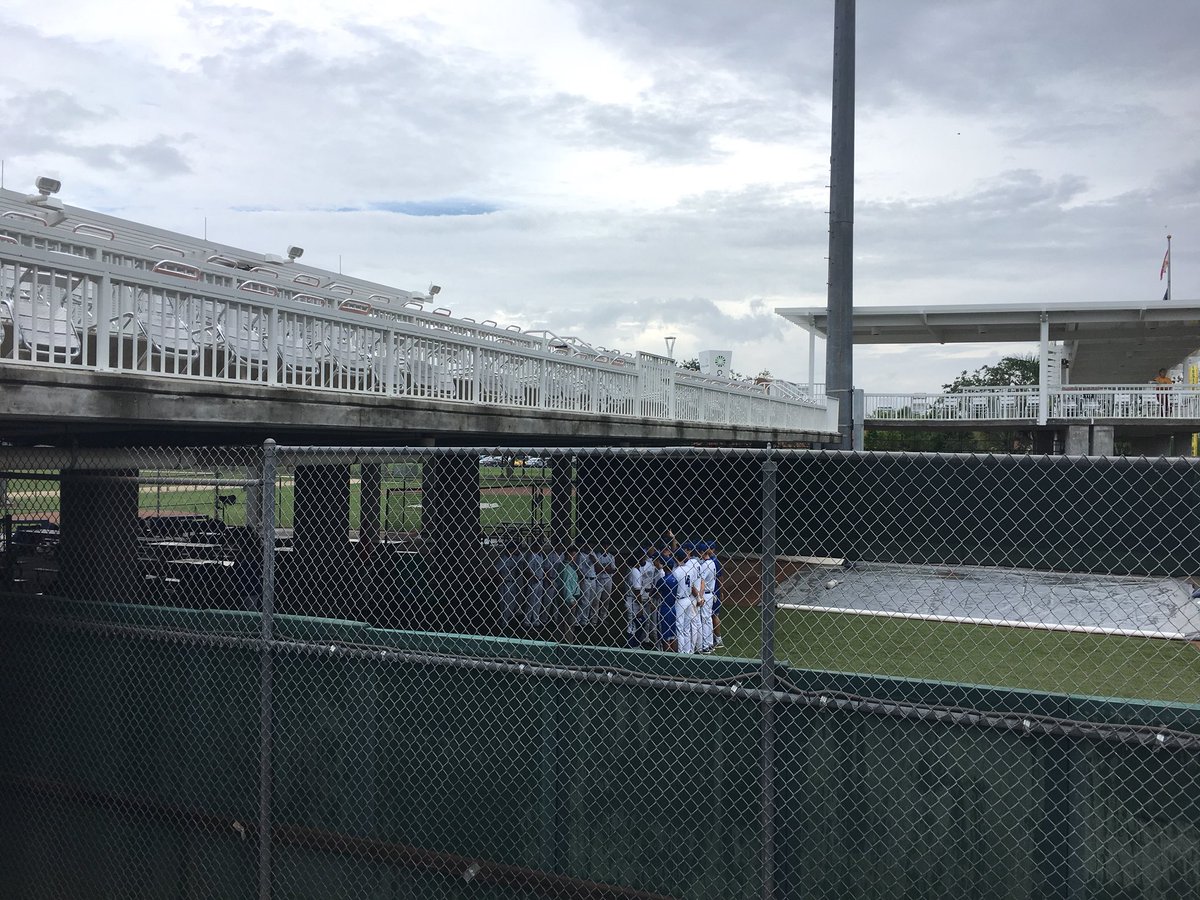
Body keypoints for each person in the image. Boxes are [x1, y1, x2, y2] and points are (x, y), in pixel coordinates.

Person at [496, 541, 523, 633]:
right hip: (505, 583)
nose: (515, 550)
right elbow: (496, 571)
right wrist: (500, 581)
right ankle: (503, 624)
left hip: (513, 583)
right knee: (505, 604)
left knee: (512, 603)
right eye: (513, 548)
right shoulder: (503, 559)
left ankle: (509, 621)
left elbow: (522, 559)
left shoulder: (514, 558)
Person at [557, 545, 582, 642]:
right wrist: (570, 600)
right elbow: (566, 584)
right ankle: (568, 642)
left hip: (565, 595)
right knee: (568, 622)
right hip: (568, 597)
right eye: (573, 555)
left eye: (575, 556)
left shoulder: (568, 566)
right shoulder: (567, 568)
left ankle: (563, 640)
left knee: (563, 621)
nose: (574, 558)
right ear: (568, 555)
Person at [593, 542, 617, 641]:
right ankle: (594, 620)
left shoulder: (611, 556)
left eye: (607, 545)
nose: (605, 547)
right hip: (598, 580)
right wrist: (606, 568)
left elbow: (613, 570)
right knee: (596, 600)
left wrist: (605, 569)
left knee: (606, 600)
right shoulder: (597, 555)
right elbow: (597, 569)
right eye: (604, 545)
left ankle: (603, 618)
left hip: (608, 580)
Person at [698, 541, 718, 653]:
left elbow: (702, 582)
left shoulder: (705, 565)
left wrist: (700, 597)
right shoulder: (712, 562)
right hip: (710, 594)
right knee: (708, 619)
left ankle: (706, 646)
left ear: (702, 552)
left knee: (705, 620)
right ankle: (710, 643)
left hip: (705, 594)